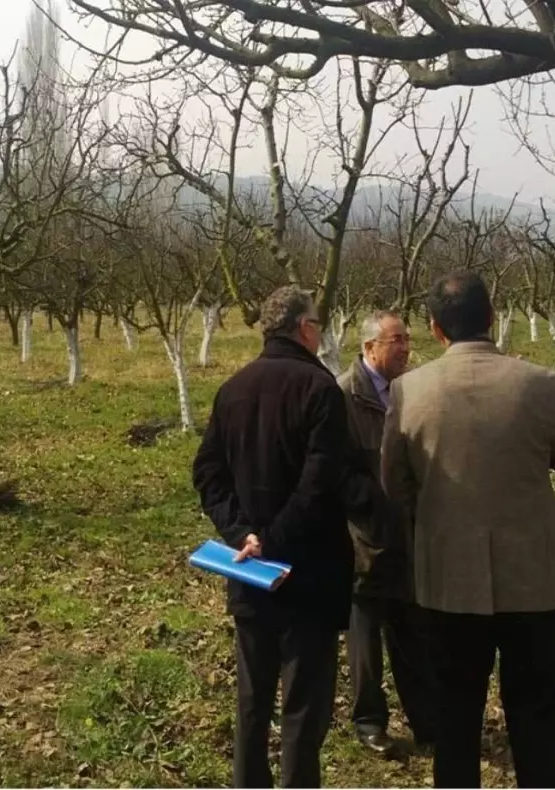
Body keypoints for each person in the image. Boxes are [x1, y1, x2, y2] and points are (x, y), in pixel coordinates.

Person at [380, 271, 555, 788]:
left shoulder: (408, 390)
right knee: (537, 717)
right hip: (534, 579)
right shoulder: (539, 383)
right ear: (492, 318)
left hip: (449, 580)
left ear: (434, 328)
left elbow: (394, 484)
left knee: (455, 720)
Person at [192, 285, 354, 789]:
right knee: (304, 706)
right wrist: (273, 541)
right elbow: (321, 482)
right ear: (305, 329)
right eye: (318, 325)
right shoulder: (320, 389)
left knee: (252, 700)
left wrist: (243, 536)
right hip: (309, 574)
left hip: (248, 572)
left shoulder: (233, 388)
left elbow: (207, 474)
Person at [338, 310, 437, 758]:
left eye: (407, 339)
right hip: (362, 536)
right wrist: (377, 504)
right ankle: (369, 722)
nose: (404, 347)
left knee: (412, 631)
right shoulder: (343, 395)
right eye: (395, 339)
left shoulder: (411, 390)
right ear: (368, 348)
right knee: (365, 635)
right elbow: (337, 470)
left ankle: (426, 721)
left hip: (409, 532)